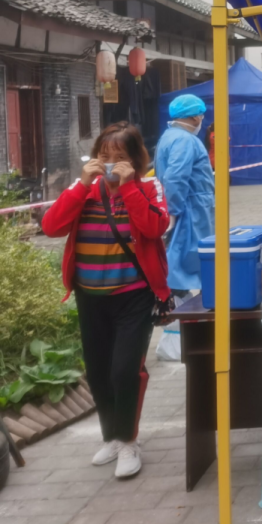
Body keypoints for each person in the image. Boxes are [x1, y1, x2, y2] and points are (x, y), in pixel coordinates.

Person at [41, 122, 170, 479]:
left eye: (120, 156)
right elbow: (50, 227)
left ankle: (128, 441)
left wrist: (128, 187)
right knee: (98, 372)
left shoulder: (148, 187)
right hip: (90, 296)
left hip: (133, 296)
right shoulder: (83, 188)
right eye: (104, 155)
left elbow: (155, 227)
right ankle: (111, 436)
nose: (111, 163)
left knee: (124, 370)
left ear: (136, 159)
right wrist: (82, 184)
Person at [155, 94, 214, 295]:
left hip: (184, 204)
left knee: (179, 256)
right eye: (201, 115)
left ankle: (179, 299)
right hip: (191, 208)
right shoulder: (185, 140)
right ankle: (179, 302)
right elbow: (175, 178)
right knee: (187, 258)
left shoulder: (169, 136)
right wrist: (174, 211)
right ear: (196, 117)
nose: (202, 119)